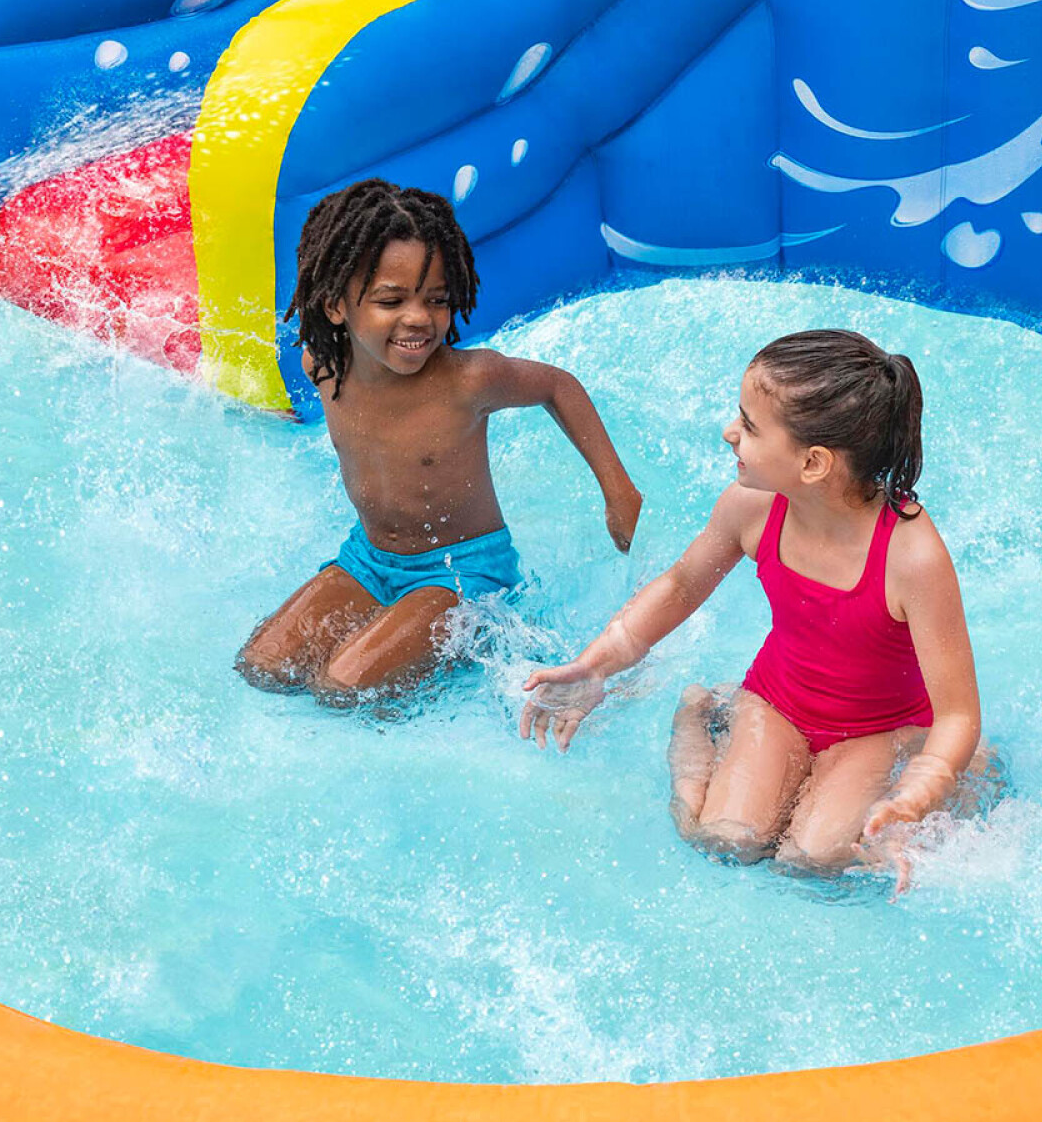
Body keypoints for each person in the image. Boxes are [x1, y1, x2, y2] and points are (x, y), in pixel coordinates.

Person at [519, 330, 983, 881]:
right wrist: (597, 664)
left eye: (750, 426)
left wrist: (915, 797)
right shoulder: (754, 507)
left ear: (812, 463)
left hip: (878, 730)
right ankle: (700, 712)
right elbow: (681, 586)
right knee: (723, 840)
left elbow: (958, 714)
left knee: (816, 861)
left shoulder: (911, 556)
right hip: (778, 704)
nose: (729, 433)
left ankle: (977, 776)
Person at [238, 179, 643, 702]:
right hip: (368, 560)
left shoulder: (468, 380)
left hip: (461, 573)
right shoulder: (325, 367)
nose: (418, 319)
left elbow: (557, 386)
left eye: (437, 300)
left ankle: (459, 645)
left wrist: (618, 491)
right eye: (392, 300)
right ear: (337, 306)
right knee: (262, 666)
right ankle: (398, 628)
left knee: (342, 689)